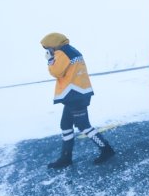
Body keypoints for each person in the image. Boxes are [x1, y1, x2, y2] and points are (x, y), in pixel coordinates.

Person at [40, 32, 115, 169]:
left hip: (75, 95)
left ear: (53, 45)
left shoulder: (62, 53)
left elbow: (56, 72)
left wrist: (50, 60)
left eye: (47, 48)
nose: (47, 51)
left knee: (83, 125)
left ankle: (106, 149)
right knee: (66, 125)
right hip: (77, 94)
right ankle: (66, 158)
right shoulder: (72, 50)